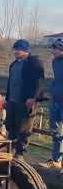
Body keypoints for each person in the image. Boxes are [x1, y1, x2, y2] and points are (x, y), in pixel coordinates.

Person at [5, 39, 45, 160]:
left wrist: (33, 98)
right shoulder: (13, 64)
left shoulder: (34, 62)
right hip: (12, 100)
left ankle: (20, 153)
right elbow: (10, 83)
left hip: (26, 101)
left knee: (24, 127)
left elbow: (40, 82)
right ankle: (9, 150)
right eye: (15, 49)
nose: (16, 52)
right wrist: (7, 99)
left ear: (26, 50)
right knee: (11, 125)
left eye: (19, 49)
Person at [42, 38, 63, 170]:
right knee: (56, 131)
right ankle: (56, 160)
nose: (52, 51)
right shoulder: (55, 61)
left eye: (55, 49)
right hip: (56, 100)